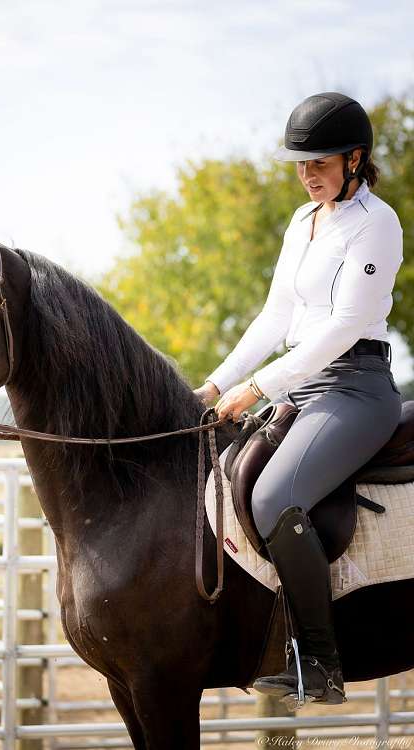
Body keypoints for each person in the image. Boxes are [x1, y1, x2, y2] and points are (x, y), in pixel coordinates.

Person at [194, 92, 403, 706]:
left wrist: (258, 386)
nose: (308, 173)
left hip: (356, 389)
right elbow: (274, 316)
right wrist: (214, 382)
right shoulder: (300, 222)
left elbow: (343, 325)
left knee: (274, 495)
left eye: (321, 161)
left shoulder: (377, 222)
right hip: (303, 390)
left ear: (356, 159)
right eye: (300, 163)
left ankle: (320, 659)